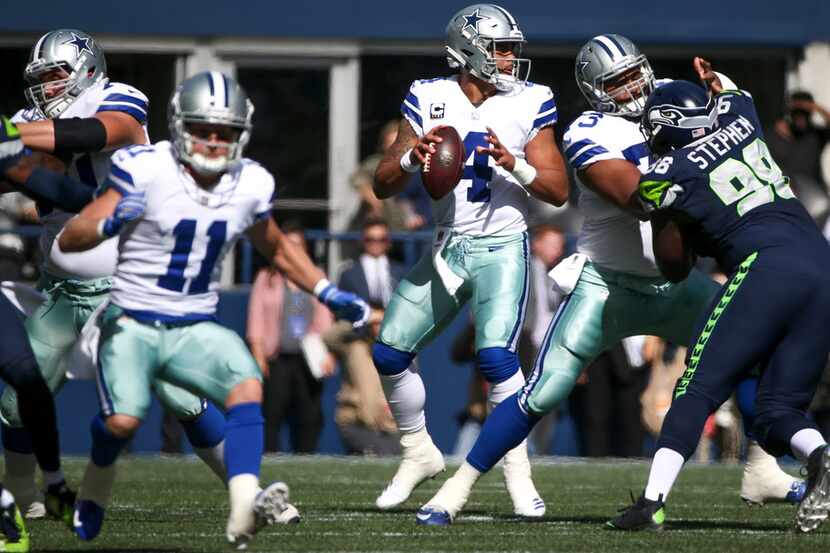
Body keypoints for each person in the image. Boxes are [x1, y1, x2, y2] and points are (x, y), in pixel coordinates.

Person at [421, 36, 801, 524]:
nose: (633, 87)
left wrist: (722, 93)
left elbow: (735, 131)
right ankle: (455, 490)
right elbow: (642, 197)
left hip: (677, 284)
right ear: (596, 90)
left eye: (635, 73)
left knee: (759, 352)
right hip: (607, 287)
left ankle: (762, 468)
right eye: (617, 82)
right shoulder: (588, 132)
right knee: (544, 390)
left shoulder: (671, 93)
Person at [53, 71, 369, 546]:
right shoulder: (145, 169)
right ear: (181, 126)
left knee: (246, 384)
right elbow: (71, 237)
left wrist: (326, 290)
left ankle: (243, 508)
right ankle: (96, 487)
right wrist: (110, 220)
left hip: (193, 324)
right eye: (204, 129)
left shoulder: (250, 182)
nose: (215, 141)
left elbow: (277, 248)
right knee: (123, 421)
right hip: (132, 321)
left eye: (226, 132)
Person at [0, 29, 230, 520]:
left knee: (181, 395)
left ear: (86, 69)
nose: (47, 88)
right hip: (62, 289)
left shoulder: (119, 97)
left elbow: (94, 134)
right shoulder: (27, 121)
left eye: (56, 74)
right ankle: (24, 499)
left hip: (128, 286)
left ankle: (249, 488)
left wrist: (11, 139)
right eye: (40, 79)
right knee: (17, 400)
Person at [371, 3, 569, 522]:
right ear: (470, 51)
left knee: (497, 359)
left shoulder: (532, 100)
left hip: (504, 244)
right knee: (390, 352)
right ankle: (418, 451)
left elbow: (558, 189)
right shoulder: (428, 96)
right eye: (501, 48)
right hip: (446, 245)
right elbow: (383, 179)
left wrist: (517, 164)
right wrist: (414, 156)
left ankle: (518, 472)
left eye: (511, 49)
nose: (510, 59)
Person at [608, 79, 830, 532]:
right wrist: (714, 80)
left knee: (697, 387)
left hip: (766, 267)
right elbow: (733, 90)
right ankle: (822, 455)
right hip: (821, 266)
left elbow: (666, 252)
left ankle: (651, 503)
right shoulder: (740, 113)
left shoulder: (669, 171)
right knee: (776, 413)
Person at [246, 221, 335, 453]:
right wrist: (258, 355)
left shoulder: (317, 277)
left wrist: (327, 354)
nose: (293, 251)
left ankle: (306, 462)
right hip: (277, 357)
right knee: (272, 416)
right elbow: (255, 320)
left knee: (309, 417)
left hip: (308, 359)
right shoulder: (266, 278)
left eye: (298, 246)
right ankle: (268, 465)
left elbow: (325, 320)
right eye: (289, 245)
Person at [324, 304, 402, 455]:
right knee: (375, 452)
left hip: (388, 426)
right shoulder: (353, 347)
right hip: (356, 423)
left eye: (383, 321)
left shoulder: (399, 352)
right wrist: (363, 317)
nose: (379, 326)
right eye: (375, 322)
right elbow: (329, 337)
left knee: (395, 458)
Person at [766, 91, 830, 220]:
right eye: (797, 113)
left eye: (806, 114)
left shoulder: (815, 136)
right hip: (783, 200)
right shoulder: (772, 136)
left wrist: (815, 107)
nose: (801, 118)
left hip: (815, 201)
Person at [338, 218, 406, 307]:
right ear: (362, 241)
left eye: (382, 239)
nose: (376, 243)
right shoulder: (348, 273)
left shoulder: (401, 271)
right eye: (370, 239)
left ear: (389, 242)